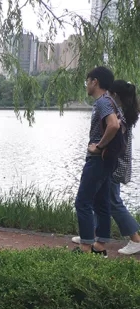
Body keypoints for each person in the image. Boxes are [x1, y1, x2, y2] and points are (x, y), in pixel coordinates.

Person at [72, 80, 140, 255]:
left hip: (110, 162)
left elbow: (114, 133)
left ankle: (135, 239)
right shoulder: (123, 112)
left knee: (111, 201)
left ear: (114, 95)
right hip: (114, 162)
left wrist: (99, 147)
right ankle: (93, 236)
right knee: (101, 199)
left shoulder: (116, 113)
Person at [73, 66, 122, 256]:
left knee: (82, 202)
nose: (86, 84)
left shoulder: (102, 102)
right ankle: (100, 246)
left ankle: (85, 248)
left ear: (95, 82)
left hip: (98, 159)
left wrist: (99, 146)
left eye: (88, 81)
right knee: (101, 202)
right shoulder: (111, 101)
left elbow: (114, 125)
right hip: (107, 160)